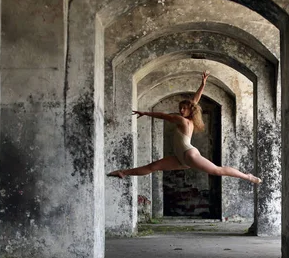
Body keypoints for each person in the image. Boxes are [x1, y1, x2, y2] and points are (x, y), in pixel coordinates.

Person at [107, 71, 261, 184]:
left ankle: (247, 176)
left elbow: (163, 116)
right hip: (181, 158)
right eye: (180, 108)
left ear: (190, 111)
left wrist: (146, 112)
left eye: (184, 108)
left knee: (217, 170)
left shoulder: (181, 120)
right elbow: (195, 100)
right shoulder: (189, 120)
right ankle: (123, 172)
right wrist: (203, 84)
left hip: (189, 154)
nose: (181, 110)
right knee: (153, 166)